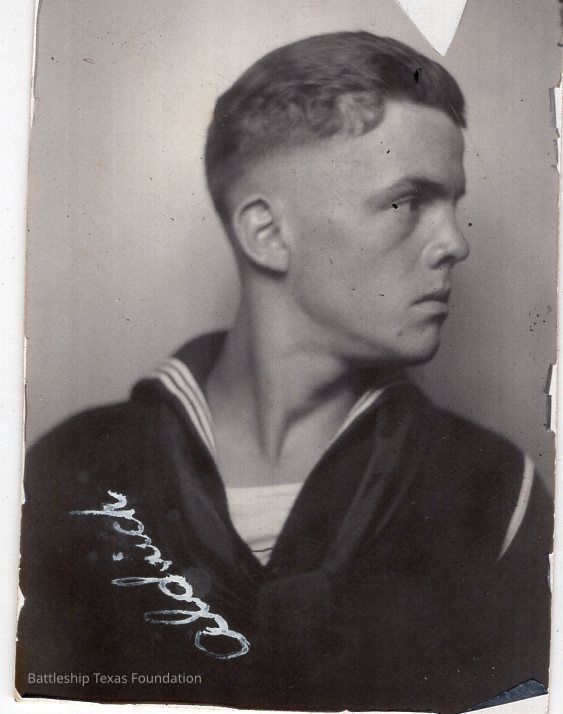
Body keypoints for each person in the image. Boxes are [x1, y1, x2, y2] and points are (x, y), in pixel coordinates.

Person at [16, 31, 552, 713]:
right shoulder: (68, 473)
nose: (454, 244)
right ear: (267, 233)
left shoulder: (496, 494)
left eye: (453, 204)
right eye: (408, 202)